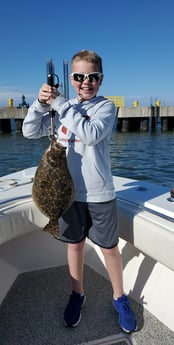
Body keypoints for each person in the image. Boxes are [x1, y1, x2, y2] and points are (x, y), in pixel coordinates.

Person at [22, 50, 137, 333]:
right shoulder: (62, 107)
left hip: (99, 194)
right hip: (67, 195)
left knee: (109, 248)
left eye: (92, 77)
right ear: (71, 78)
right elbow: (28, 131)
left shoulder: (106, 107)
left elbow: (91, 134)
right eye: (79, 76)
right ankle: (77, 294)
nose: (86, 82)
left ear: (100, 79)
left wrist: (60, 104)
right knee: (74, 245)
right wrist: (39, 103)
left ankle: (119, 297)